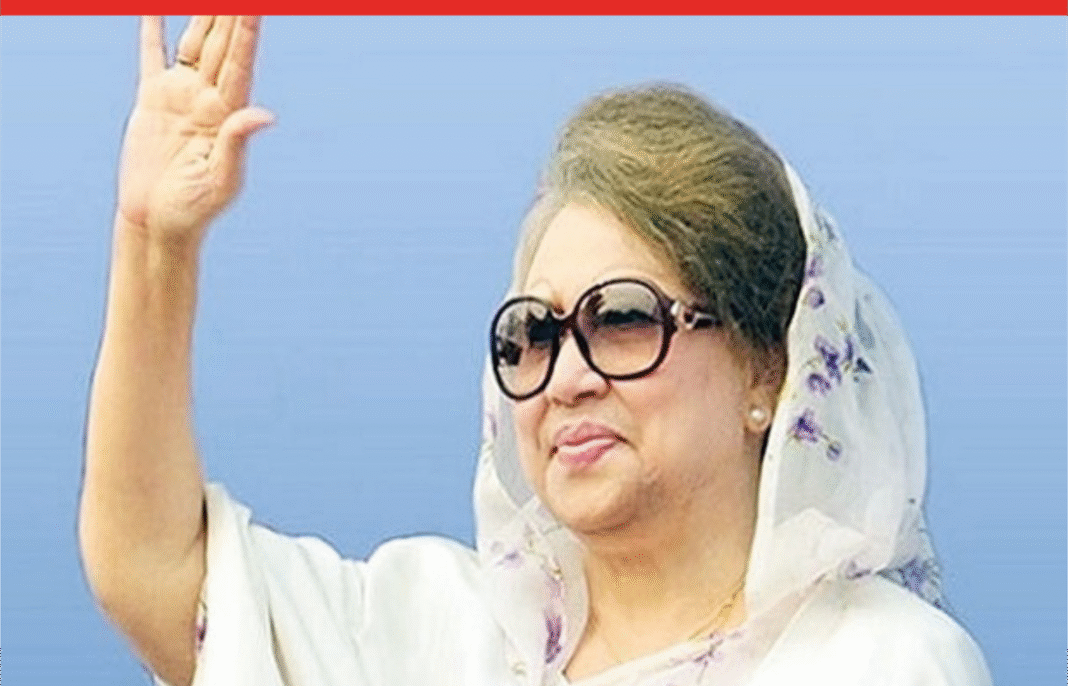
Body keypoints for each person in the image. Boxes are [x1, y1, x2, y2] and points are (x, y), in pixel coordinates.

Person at [78, 15, 993, 686]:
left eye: (623, 319)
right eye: (534, 334)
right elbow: (152, 569)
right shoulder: (436, 636)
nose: (567, 378)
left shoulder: (881, 661)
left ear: (770, 369)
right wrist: (155, 245)